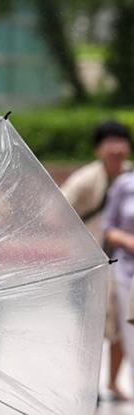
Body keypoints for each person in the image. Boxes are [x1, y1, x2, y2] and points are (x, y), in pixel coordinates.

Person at [60, 121, 132, 400]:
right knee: (89, 327)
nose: (116, 148)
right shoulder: (85, 179)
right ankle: (88, 387)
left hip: (122, 264)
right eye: (109, 142)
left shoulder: (130, 177)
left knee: (122, 325)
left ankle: (113, 382)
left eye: (121, 141)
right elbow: (60, 207)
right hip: (89, 265)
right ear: (98, 149)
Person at [103, 165, 134, 394]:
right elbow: (108, 227)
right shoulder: (125, 185)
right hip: (128, 273)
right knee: (130, 334)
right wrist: (127, 240)